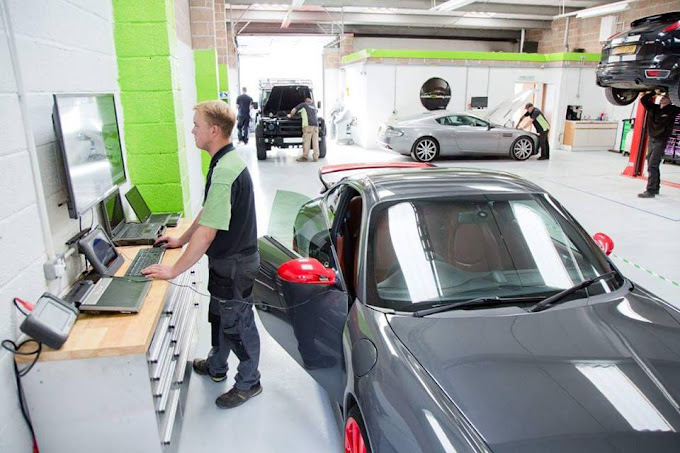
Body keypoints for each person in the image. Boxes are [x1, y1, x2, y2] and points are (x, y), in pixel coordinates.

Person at [142, 100, 261, 409]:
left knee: (237, 324)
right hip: (229, 262)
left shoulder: (225, 170)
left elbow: (208, 233)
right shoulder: (224, 161)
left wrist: (173, 270)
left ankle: (250, 382)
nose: (192, 130)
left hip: (235, 264)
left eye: (196, 125)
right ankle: (217, 366)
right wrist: (181, 238)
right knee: (220, 316)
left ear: (213, 130)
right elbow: (210, 211)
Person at [638, 92, 680, 198]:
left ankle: (650, 191)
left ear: (671, 100)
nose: (663, 98)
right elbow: (643, 100)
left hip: (661, 140)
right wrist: (653, 92)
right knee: (651, 164)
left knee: (653, 164)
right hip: (652, 139)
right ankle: (655, 188)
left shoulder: (673, 110)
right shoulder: (653, 108)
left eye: (666, 97)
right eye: (662, 97)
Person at [288, 96, 320, 162]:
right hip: (316, 126)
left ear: (305, 100)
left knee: (306, 141)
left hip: (308, 126)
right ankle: (315, 157)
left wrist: (290, 115)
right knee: (315, 142)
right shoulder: (314, 106)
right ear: (310, 100)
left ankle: (304, 157)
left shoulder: (304, 105)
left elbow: (294, 110)